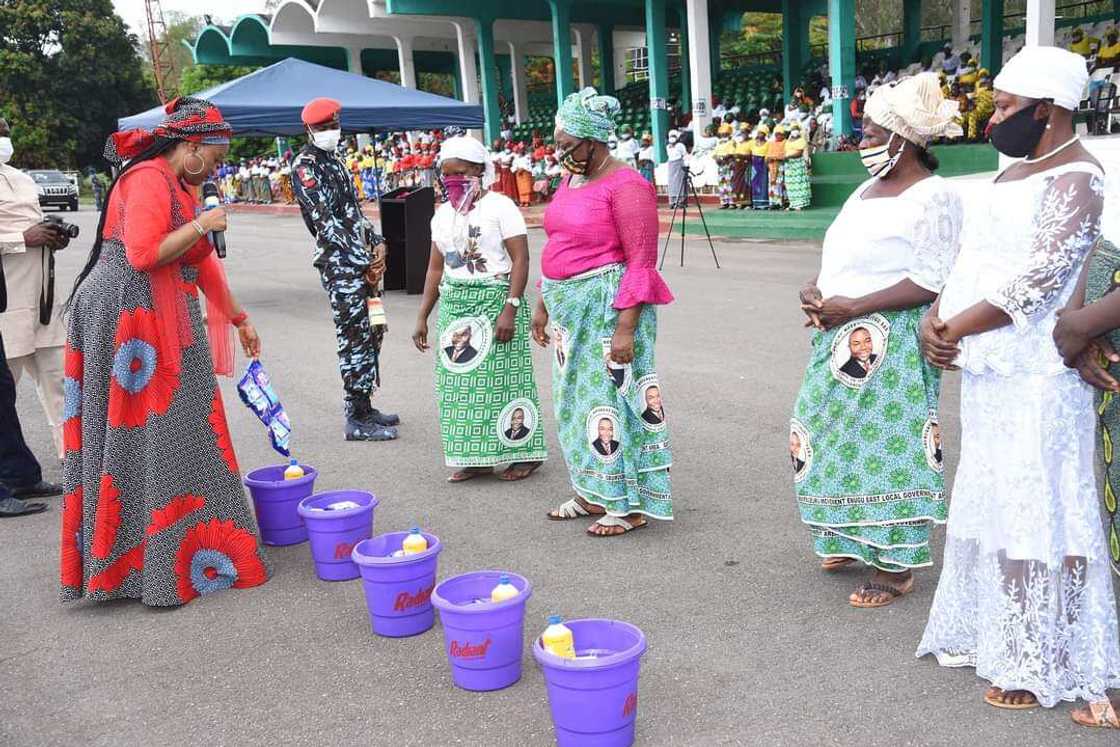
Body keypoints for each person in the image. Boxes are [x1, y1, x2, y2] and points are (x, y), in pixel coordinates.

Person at [916, 46, 1120, 728]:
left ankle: (1043, 652)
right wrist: (933, 320)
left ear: (1049, 111)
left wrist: (957, 328)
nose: (994, 116)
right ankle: (998, 632)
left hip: (1039, 372)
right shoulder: (1010, 176)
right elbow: (970, 263)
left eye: (1006, 107)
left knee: (1044, 498)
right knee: (998, 495)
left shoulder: (1080, 178)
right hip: (991, 368)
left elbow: (1037, 279)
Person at [61, 97, 269, 605]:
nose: (217, 170)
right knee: (144, 430)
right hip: (124, 316)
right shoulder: (148, 177)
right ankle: (138, 562)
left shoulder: (180, 184)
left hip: (162, 315)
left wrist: (238, 317)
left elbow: (202, 264)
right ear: (190, 146)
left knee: (185, 424)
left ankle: (189, 549)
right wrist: (203, 224)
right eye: (215, 160)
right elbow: (143, 253)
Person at [794, 72, 963, 607]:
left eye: (869, 133)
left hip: (893, 336)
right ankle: (847, 534)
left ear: (902, 138)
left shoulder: (934, 196)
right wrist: (818, 291)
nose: (861, 142)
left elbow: (933, 277)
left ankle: (896, 565)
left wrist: (856, 306)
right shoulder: (867, 189)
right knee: (820, 428)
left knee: (888, 444)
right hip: (839, 331)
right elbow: (843, 259)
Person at [533, 87, 674, 536]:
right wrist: (542, 303)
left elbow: (641, 261)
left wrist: (626, 329)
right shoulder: (571, 181)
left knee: (613, 403)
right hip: (568, 316)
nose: (560, 154)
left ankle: (627, 504)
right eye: (557, 144)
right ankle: (593, 491)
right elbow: (559, 243)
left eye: (567, 145)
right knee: (574, 403)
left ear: (594, 142)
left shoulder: (628, 185)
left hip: (607, 314)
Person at [413, 133, 546, 482]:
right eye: (446, 174)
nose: (451, 181)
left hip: (495, 301)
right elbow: (435, 268)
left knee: (505, 383)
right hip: (456, 305)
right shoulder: (442, 215)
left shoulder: (500, 207)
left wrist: (511, 307)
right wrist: (423, 315)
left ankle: (524, 454)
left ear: (478, 170)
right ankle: (476, 456)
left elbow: (520, 259)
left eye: (459, 173)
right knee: (459, 387)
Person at [291, 97, 399, 442]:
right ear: (309, 130)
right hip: (339, 264)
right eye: (323, 128)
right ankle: (355, 415)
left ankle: (366, 404)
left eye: (333, 126)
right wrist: (363, 261)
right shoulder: (305, 167)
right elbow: (325, 224)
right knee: (353, 333)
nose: (330, 132)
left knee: (373, 329)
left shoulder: (335, 161)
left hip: (360, 260)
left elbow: (352, 213)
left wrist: (377, 243)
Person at [0, 116, 69, 461]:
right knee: (4, 393)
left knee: (61, 381)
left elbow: (36, 228)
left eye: (6, 132)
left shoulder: (23, 180)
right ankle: (11, 472)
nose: (4, 139)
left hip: (43, 299)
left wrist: (50, 238)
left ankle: (73, 458)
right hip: (7, 303)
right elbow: (22, 235)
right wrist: (20, 239)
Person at [785, 124, 812, 210]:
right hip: (789, 165)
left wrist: (787, 157)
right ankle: (792, 204)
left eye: (796, 129)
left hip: (798, 164)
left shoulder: (801, 141)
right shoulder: (788, 141)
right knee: (790, 185)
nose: (794, 131)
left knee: (798, 184)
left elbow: (799, 153)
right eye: (793, 129)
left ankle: (799, 205)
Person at [766, 125, 789, 209]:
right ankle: (773, 203)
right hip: (772, 167)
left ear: (783, 135)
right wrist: (769, 159)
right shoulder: (771, 143)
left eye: (780, 134)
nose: (778, 136)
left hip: (781, 167)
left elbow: (785, 155)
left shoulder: (786, 142)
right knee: (772, 185)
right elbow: (767, 155)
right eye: (776, 134)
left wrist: (775, 157)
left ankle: (782, 202)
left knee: (780, 184)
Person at [713, 124, 735, 209]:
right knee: (721, 182)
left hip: (728, 164)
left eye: (725, 133)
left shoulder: (731, 141)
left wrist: (722, 158)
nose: (723, 135)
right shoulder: (719, 142)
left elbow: (731, 153)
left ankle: (732, 202)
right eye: (722, 134)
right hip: (720, 165)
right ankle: (724, 201)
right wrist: (717, 158)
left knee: (730, 182)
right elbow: (714, 153)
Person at [731, 124, 753, 209]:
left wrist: (741, 156)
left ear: (748, 132)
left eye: (745, 132)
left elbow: (752, 154)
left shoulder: (752, 142)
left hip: (746, 165)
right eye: (742, 132)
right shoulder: (739, 143)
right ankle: (739, 202)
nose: (744, 134)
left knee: (746, 183)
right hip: (738, 165)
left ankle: (747, 203)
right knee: (737, 183)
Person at [665, 130, 688, 208]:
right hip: (671, 164)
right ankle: (673, 201)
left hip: (679, 164)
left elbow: (685, 155)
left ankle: (681, 201)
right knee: (672, 183)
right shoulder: (668, 146)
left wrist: (686, 164)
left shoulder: (680, 145)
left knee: (679, 182)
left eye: (674, 136)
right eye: (671, 136)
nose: (672, 138)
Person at [750, 126, 770, 210]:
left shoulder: (768, 143)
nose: (759, 134)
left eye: (761, 133)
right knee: (755, 183)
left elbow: (768, 154)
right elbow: (750, 152)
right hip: (754, 164)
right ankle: (755, 203)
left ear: (765, 134)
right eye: (758, 133)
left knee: (763, 183)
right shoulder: (753, 142)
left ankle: (763, 203)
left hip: (763, 164)